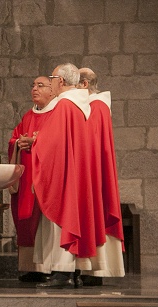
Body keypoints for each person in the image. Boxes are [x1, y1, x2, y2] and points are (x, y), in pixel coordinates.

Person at [30, 63, 93, 288]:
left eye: (52, 78)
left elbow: (52, 142)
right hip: (75, 169)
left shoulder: (65, 105)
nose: (51, 81)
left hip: (65, 173)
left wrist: (35, 143)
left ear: (61, 82)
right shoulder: (80, 104)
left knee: (62, 218)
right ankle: (71, 270)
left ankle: (62, 271)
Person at [76, 67, 125, 284]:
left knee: (96, 215)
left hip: (94, 174)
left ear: (84, 85)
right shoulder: (94, 105)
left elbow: (88, 143)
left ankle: (96, 269)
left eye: (74, 84)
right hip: (92, 171)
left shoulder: (96, 107)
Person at [7, 76, 57, 283]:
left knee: (46, 222)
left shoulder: (57, 115)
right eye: (33, 86)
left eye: (40, 85)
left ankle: (49, 267)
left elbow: (57, 142)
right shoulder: (28, 116)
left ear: (52, 91)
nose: (34, 89)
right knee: (26, 220)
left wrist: (36, 142)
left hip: (47, 178)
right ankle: (30, 267)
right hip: (27, 177)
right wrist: (18, 143)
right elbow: (14, 138)